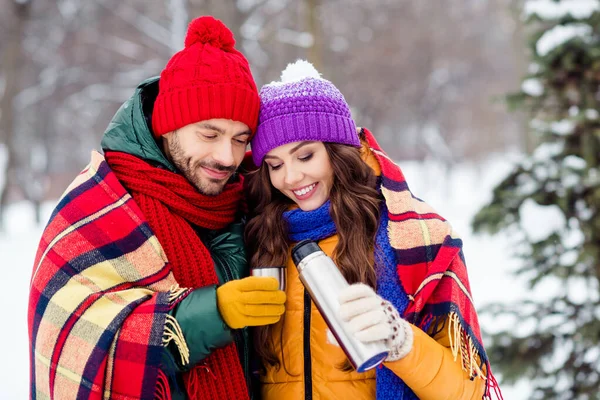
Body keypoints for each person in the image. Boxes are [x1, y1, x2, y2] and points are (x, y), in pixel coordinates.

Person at [28, 16, 286, 400]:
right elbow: (71, 342)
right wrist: (209, 315)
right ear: (168, 126)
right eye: (209, 133)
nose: (227, 156)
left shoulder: (250, 200)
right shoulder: (99, 205)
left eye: (240, 138)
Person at [245, 60, 503, 400]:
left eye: (305, 156)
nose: (290, 178)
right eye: (275, 165)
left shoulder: (414, 238)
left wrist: (402, 343)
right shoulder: (256, 237)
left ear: (337, 152)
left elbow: (466, 391)